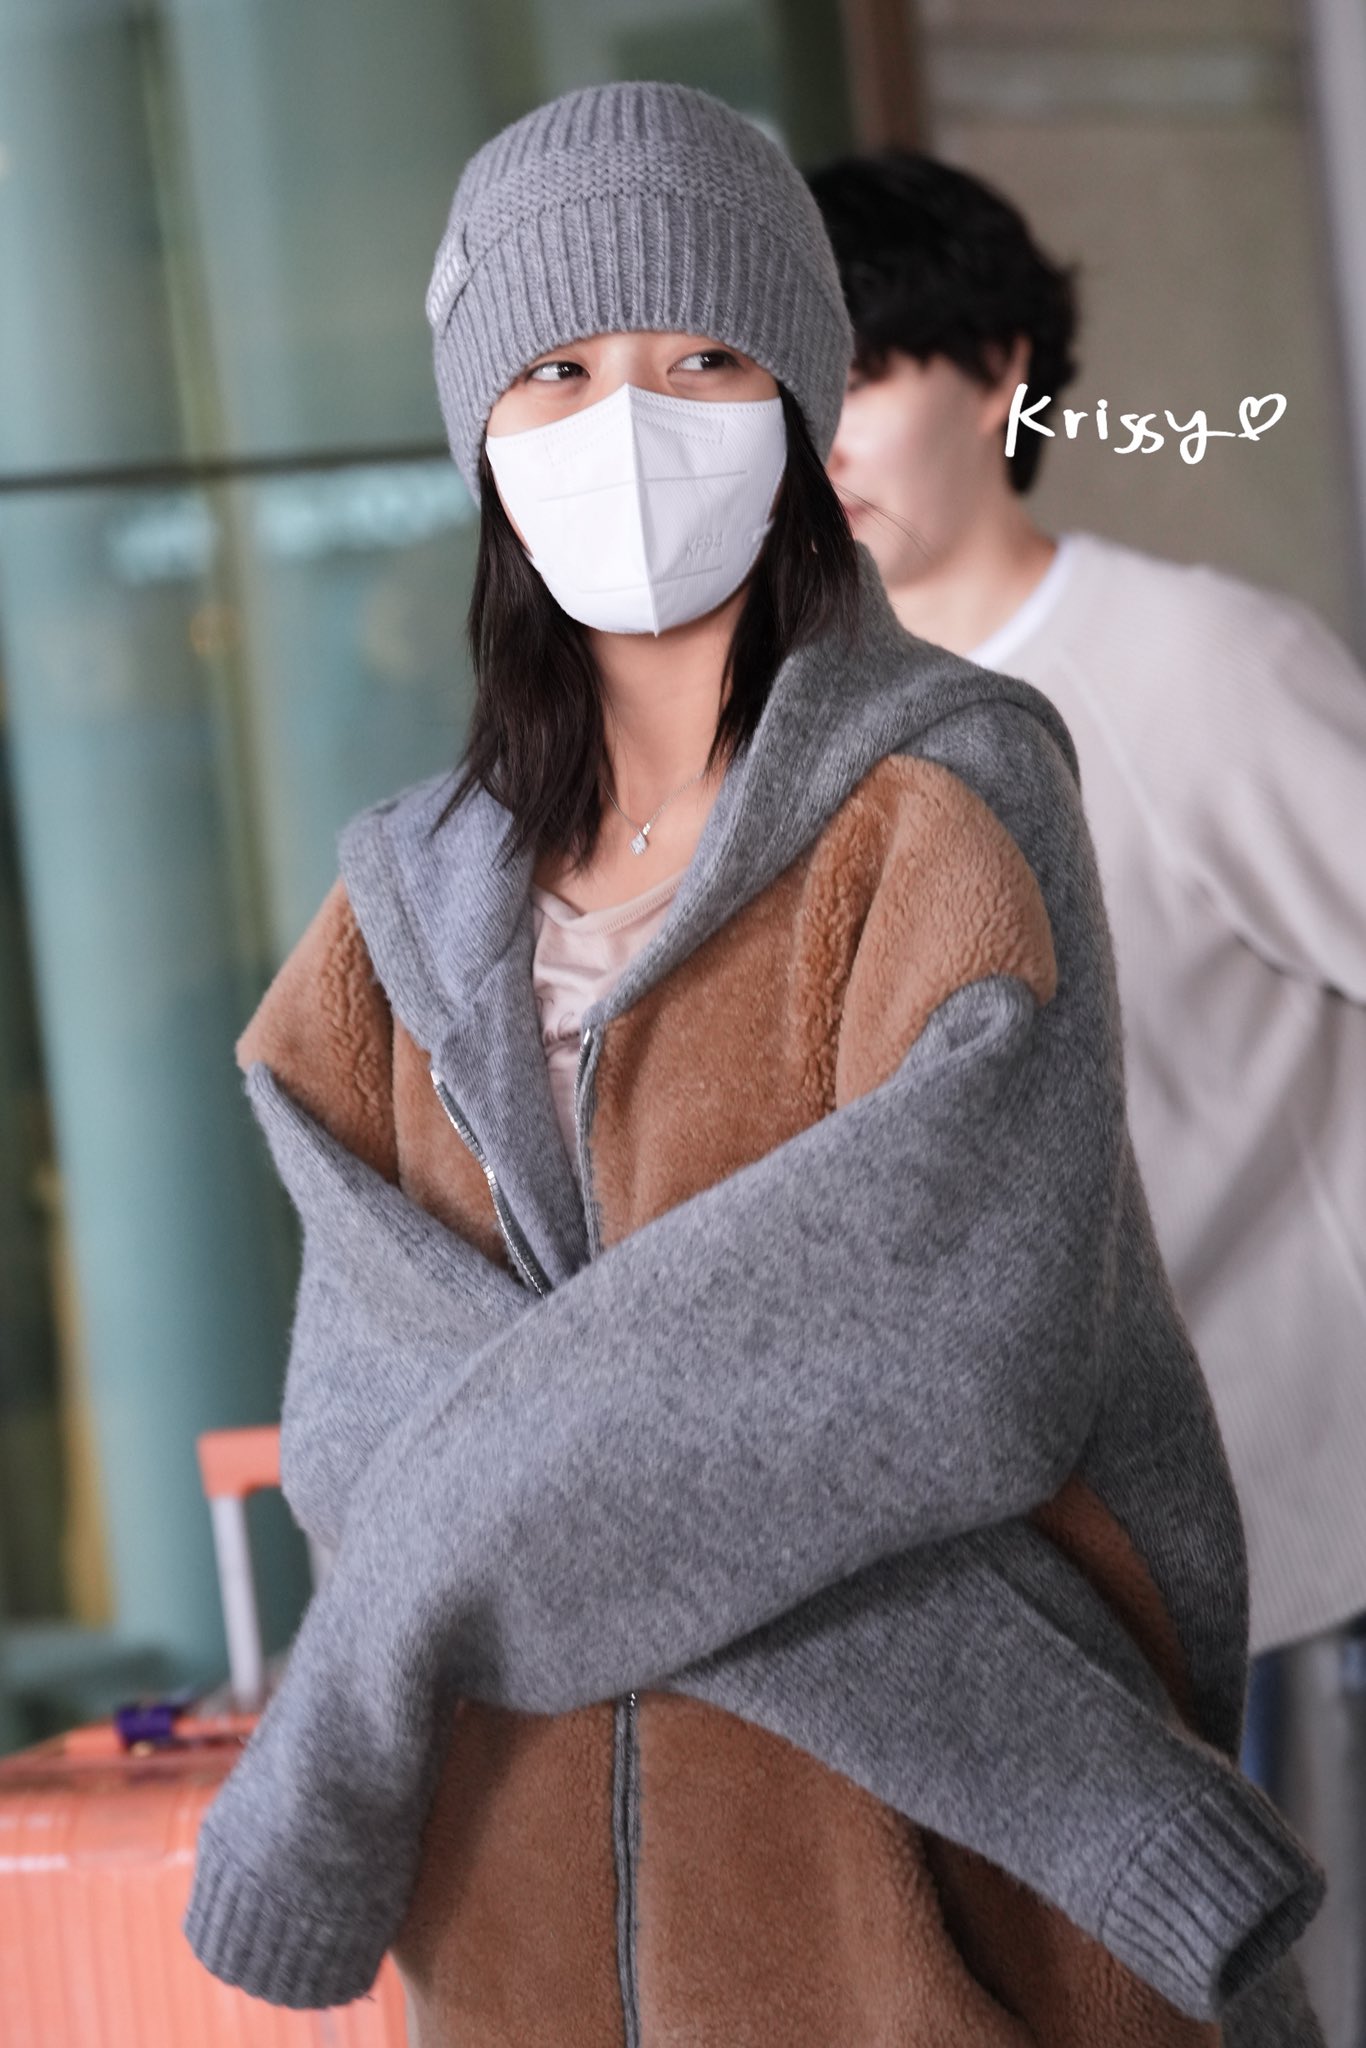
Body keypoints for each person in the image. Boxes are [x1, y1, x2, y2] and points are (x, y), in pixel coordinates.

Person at [182, 84, 1326, 2045]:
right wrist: (571, 1490)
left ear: (793, 398)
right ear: (476, 430)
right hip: (527, 1945)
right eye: (556, 369)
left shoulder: (942, 804)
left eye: (700, 359)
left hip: (922, 1936)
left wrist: (406, 1609)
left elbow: (940, 1358)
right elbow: (367, 1443)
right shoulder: (390, 922)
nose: (625, 426)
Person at [807, 146, 1366, 1784]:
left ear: (999, 375)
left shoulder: (1193, 664)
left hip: (1283, 1528)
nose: (816, 441)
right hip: (1003, 1569)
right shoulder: (799, 737)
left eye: (859, 375)